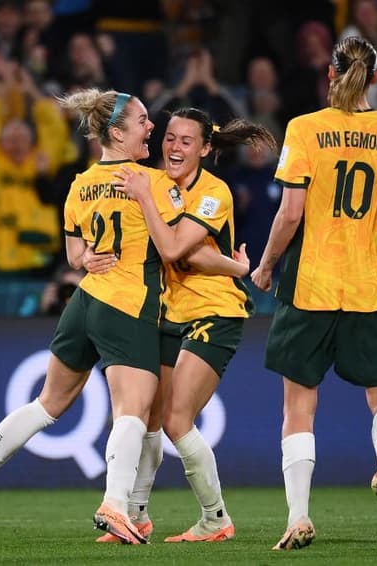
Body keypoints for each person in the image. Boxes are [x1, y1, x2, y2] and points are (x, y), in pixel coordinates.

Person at [0, 88, 247, 544]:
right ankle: (116, 505)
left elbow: (74, 251)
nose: (152, 129)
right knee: (135, 411)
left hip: (84, 303)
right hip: (127, 305)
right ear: (118, 132)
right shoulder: (155, 185)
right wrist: (237, 266)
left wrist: (87, 261)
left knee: (48, 403)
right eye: (144, 121)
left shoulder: (81, 182)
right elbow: (182, 249)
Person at [250, 36, 377, 551]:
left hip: (310, 284)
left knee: (299, 408)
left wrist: (267, 265)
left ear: (330, 75)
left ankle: (297, 517)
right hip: (370, 286)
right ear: (375, 79)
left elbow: (290, 213)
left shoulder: (304, 129)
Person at [101, 108, 275, 543]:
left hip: (214, 311)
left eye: (186, 141)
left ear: (205, 148)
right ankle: (137, 515)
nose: (174, 147)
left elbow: (178, 249)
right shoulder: (158, 185)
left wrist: (235, 275)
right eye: (170, 138)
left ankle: (215, 518)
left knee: (178, 420)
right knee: (150, 417)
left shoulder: (214, 193)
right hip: (167, 312)